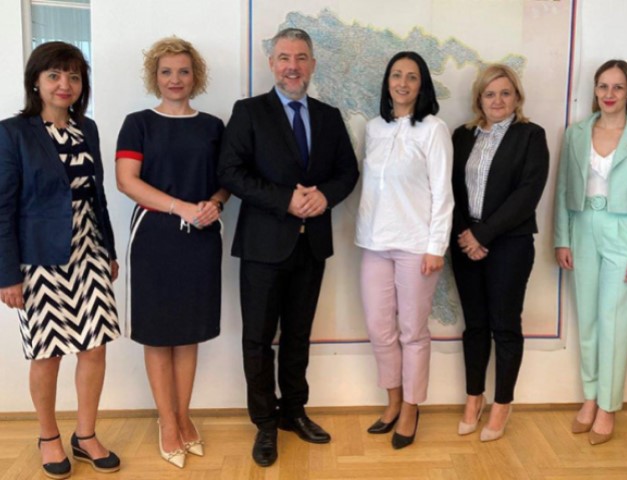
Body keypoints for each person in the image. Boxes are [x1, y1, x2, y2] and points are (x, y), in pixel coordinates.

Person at [218, 27, 359, 467]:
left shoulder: (329, 116)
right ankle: (264, 422)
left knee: (298, 336)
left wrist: (324, 196)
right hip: (262, 246)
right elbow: (230, 171)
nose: (292, 66)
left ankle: (294, 411)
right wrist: (285, 200)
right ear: (272, 64)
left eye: (300, 58)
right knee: (258, 339)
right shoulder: (248, 112)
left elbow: (347, 172)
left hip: (311, 246)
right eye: (284, 58)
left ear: (312, 64)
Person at [0, 41, 121, 478]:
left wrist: (108, 250)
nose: (64, 84)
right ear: (36, 81)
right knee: (47, 352)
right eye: (54, 75)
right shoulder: (13, 133)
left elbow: (97, 195)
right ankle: (48, 436)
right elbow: (3, 208)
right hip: (39, 259)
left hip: (89, 251)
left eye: (73, 75)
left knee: (94, 346)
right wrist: (7, 274)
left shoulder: (88, 129)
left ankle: (85, 435)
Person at [115, 37, 227, 469]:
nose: (175, 79)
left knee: (189, 332)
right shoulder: (138, 123)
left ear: (195, 76)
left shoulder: (213, 126)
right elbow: (127, 180)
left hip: (201, 238)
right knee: (159, 333)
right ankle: (166, 422)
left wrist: (213, 204)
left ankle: (183, 415)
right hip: (154, 238)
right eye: (166, 72)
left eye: (183, 71)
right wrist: (180, 206)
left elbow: (225, 181)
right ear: (155, 77)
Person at [554, 59, 627, 445]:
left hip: (624, 232)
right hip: (583, 228)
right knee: (588, 319)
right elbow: (563, 189)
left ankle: (608, 406)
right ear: (595, 90)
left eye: (618, 87)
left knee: (615, 321)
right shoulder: (576, 133)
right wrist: (562, 238)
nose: (609, 94)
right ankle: (590, 396)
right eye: (603, 86)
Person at [355, 51, 454, 450]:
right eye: (396, 75)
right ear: (387, 82)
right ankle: (393, 400)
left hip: (416, 246)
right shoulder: (373, 128)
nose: (402, 83)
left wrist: (436, 247)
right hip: (374, 243)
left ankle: (412, 407)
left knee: (412, 332)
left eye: (411, 77)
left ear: (422, 85)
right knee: (380, 329)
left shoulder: (433, 130)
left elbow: (443, 193)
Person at [450, 64, 549, 442]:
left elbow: (527, 194)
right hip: (464, 241)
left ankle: (502, 404)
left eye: (505, 93)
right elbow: (450, 189)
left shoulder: (531, 135)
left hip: (510, 244)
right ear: (479, 98)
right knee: (475, 325)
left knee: (505, 326)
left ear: (517, 97)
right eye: (490, 94)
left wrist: (483, 235)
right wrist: (466, 234)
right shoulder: (462, 136)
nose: (497, 100)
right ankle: (474, 398)